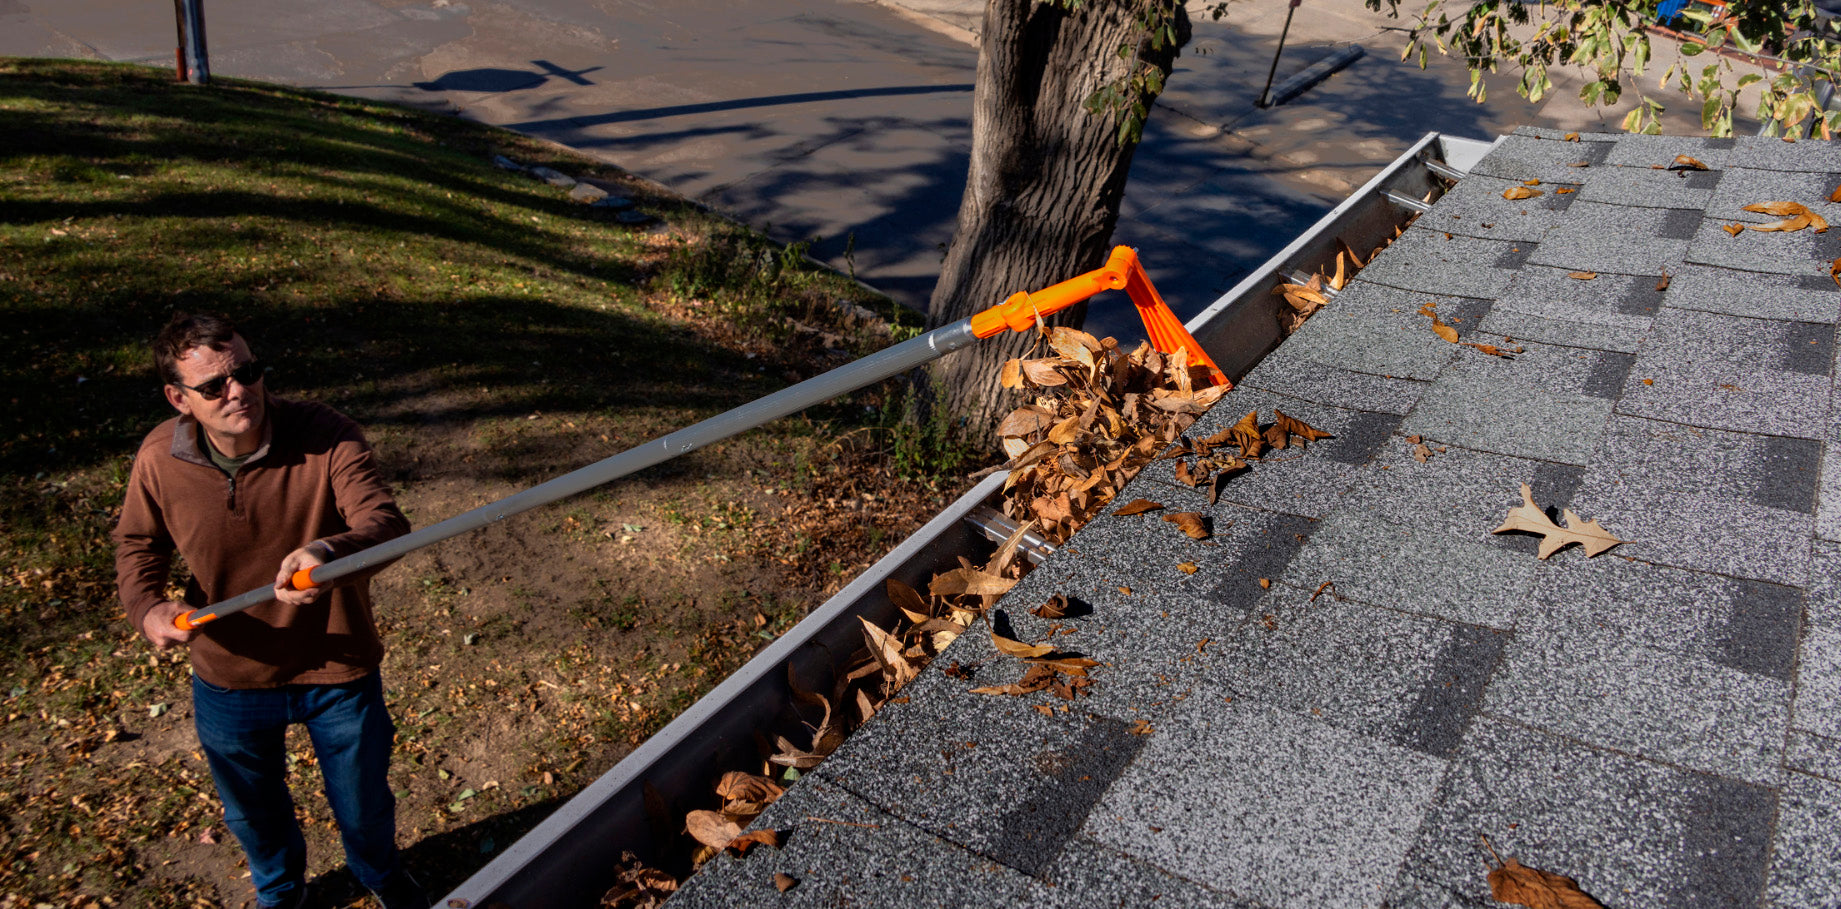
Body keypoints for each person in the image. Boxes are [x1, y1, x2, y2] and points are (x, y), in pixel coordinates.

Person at [113, 313, 428, 909]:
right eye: (214, 387)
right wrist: (147, 605)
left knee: (363, 804)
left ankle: (381, 876)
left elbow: (386, 525)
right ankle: (282, 895)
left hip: (338, 670)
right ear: (179, 398)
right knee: (254, 813)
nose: (240, 391)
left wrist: (327, 551)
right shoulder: (160, 458)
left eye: (248, 372)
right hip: (230, 675)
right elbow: (137, 542)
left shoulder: (327, 435)